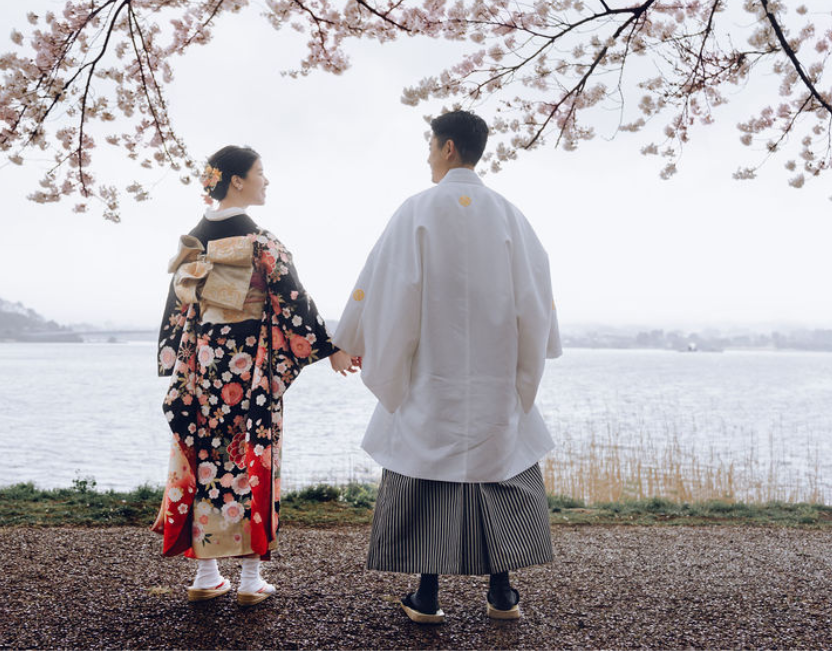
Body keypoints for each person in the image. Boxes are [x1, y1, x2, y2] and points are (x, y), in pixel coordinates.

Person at [334, 110, 562, 623]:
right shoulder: (510, 216)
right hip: (495, 372)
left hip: (430, 373)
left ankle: (428, 593)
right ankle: (502, 592)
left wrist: (351, 340)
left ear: (450, 148)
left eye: (431, 145)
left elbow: (387, 286)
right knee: (498, 467)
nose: (428, 155)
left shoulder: (417, 210)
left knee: (427, 473)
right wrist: (532, 355)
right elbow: (537, 292)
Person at [152, 145, 357, 605]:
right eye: (261, 172)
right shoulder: (262, 242)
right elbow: (295, 302)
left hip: (204, 365)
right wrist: (331, 348)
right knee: (252, 458)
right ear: (237, 180)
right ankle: (249, 580)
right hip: (250, 366)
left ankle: (206, 575)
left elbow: (178, 311)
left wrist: (173, 358)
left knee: (204, 456)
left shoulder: (192, 243)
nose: (267, 180)